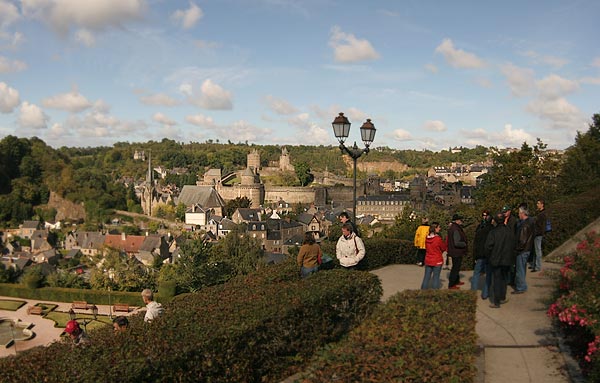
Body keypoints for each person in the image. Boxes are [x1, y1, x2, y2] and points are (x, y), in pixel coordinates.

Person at [485, 212, 516, 308]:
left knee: (497, 280)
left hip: (496, 259)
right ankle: (502, 297)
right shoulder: (509, 231)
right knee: (504, 279)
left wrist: (489, 257)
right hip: (507, 259)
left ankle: (497, 301)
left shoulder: (493, 232)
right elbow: (513, 245)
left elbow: (488, 247)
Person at [471, 210, 493, 299]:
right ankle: (485, 293)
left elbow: (476, 243)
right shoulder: (492, 230)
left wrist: (475, 255)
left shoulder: (479, 229)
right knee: (488, 275)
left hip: (480, 254)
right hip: (488, 254)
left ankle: (473, 293)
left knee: (476, 273)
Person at [513, 206, 534, 294]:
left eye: (519, 213)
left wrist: (517, 249)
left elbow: (522, 240)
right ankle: (522, 285)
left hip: (522, 250)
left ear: (522, 213)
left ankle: (521, 287)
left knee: (520, 269)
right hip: (527, 249)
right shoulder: (530, 222)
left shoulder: (524, 225)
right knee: (522, 268)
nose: (518, 214)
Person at [420, 222, 446, 289]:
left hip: (428, 259)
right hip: (437, 260)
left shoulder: (427, 238)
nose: (439, 229)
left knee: (426, 277)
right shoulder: (438, 239)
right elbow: (443, 247)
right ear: (435, 228)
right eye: (438, 227)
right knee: (436, 278)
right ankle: (434, 294)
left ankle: (422, 292)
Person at [447, 213, 468, 289]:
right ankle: (452, 284)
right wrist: (464, 244)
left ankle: (456, 281)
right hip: (457, 251)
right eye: (460, 220)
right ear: (457, 221)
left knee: (456, 267)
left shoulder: (453, 227)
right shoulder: (456, 229)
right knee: (455, 268)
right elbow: (457, 242)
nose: (461, 221)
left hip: (454, 251)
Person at [532, 199, 547, 272]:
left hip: (538, 234)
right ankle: (535, 265)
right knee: (536, 249)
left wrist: (539, 232)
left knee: (538, 250)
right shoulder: (540, 213)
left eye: (538, 203)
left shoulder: (542, 214)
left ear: (542, 204)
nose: (537, 205)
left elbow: (541, 226)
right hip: (537, 233)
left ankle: (538, 266)